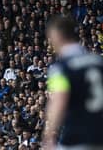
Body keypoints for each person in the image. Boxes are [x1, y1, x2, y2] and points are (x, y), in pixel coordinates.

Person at [42, 16, 103, 150]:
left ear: (57, 36)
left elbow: (59, 101)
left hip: (76, 137)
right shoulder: (98, 61)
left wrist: (49, 135)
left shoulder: (61, 67)